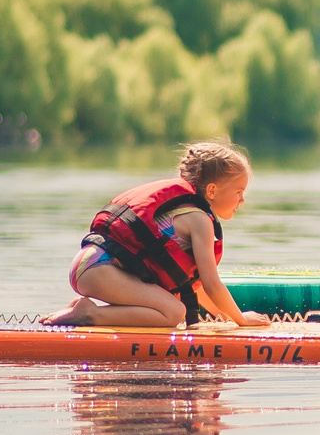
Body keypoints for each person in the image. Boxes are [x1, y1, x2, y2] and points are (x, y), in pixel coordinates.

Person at [45, 141, 273, 329]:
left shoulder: (187, 212)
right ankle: (89, 314)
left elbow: (197, 286)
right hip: (99, 269)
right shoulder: (200, 220)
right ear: (212, 190)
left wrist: (223, 316)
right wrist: (241, 320)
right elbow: (212, 284)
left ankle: (88, 311)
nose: (242, 200)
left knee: (173, 306)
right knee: (173, 313)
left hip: (91, 264)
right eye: (239, 192)